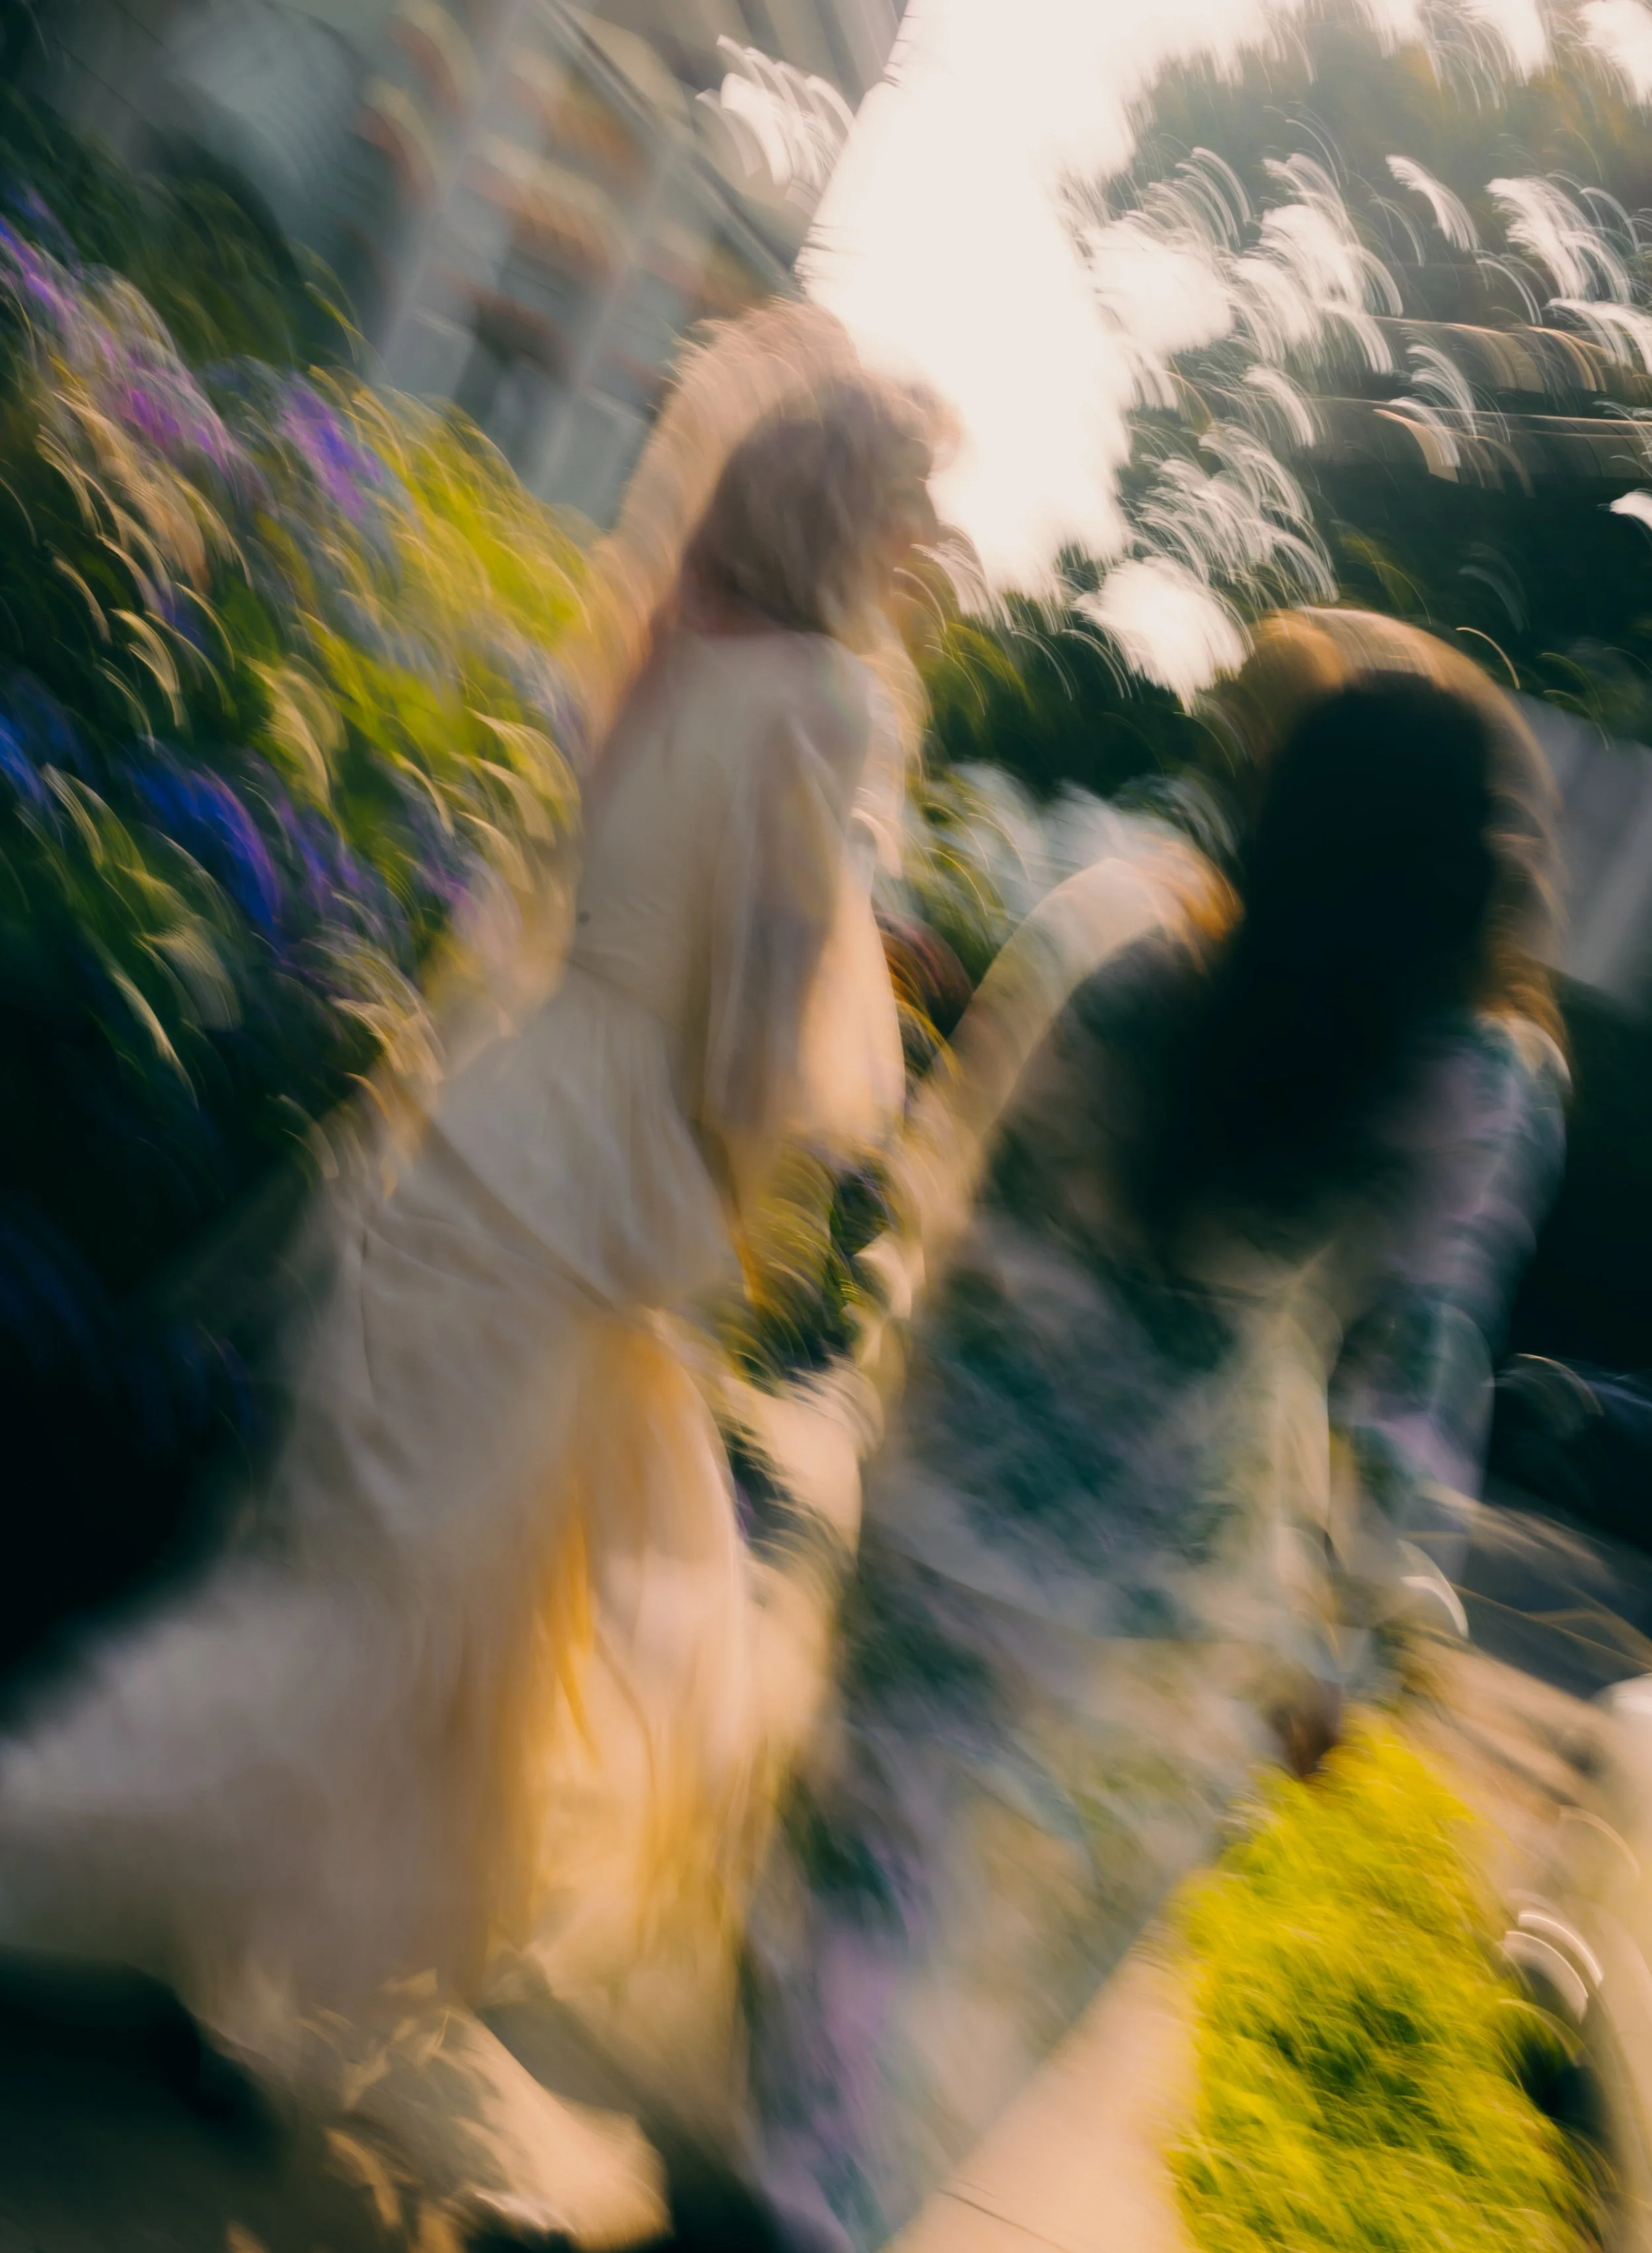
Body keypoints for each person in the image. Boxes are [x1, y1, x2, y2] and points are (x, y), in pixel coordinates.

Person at [0, 352, 938, 2242]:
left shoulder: (659, 639)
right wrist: (759, 1178)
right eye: (914, 511)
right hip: (588, 1204)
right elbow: (759, 1045)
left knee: (420, 1625)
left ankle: (221, 1977)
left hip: (483, 1138)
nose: (931, 550)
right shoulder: (826, 702)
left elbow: (584, 924)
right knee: (389, 1639)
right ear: (857, 521)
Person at [739, 609, 1569, 2253]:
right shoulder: (1473, 1085)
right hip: (1152, 1592)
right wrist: (1352, 1639)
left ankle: (788, 2188)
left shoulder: (1133, 964)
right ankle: (810, 2205)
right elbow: (1413, 1367)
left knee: (855, 1895)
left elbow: (973, 1223)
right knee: (994, 1948)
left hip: (951, 1502)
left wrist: (891, 1430)